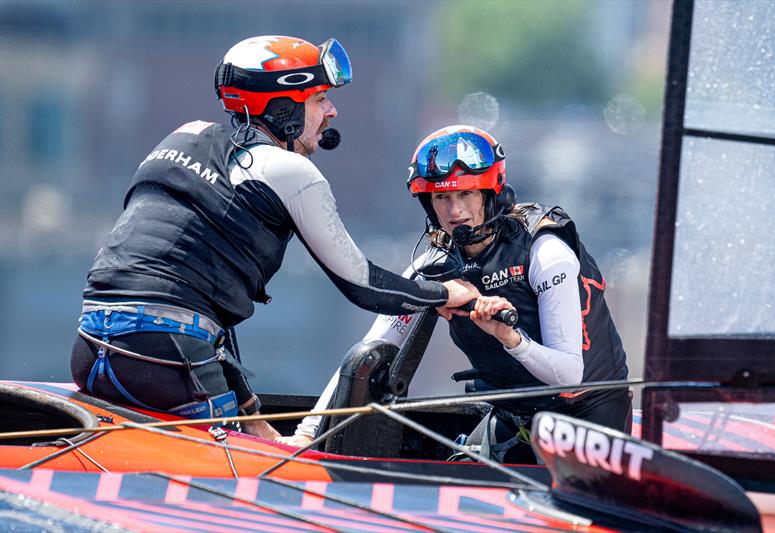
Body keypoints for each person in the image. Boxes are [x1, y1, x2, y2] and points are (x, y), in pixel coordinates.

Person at [71, 37, 478, 439]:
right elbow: (363, 285)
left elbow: (187, 299)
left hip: (90, 349)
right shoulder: (290, 171)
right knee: (240, 487)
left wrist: (254, 420)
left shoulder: (183, 136)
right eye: (320, 99)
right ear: (283, 108)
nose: (332, 111)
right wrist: (442, 294)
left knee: (251, 436)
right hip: (166, 358)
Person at [280, 125, 630, 463]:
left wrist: (510, 338)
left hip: (587, 421)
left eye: (466, 193)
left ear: (489, 194)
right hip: (515, 418)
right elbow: (370, 348)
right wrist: (307, 433)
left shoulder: (545, 252)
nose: (454, 211)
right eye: (442, 197)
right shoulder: (433, 267)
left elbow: (570, 374)